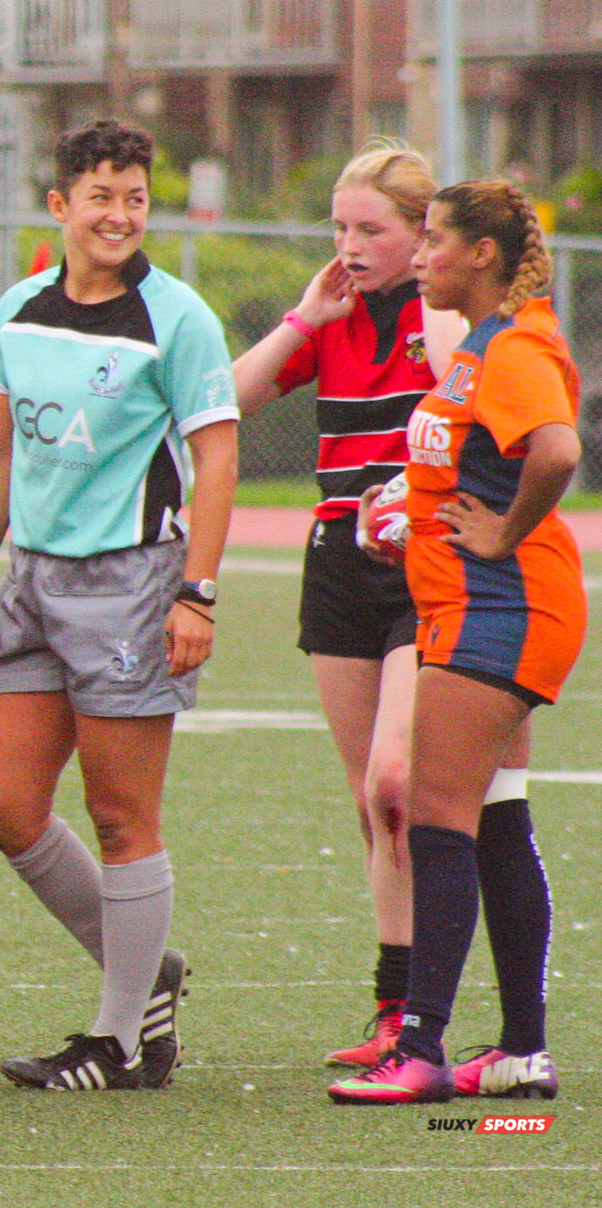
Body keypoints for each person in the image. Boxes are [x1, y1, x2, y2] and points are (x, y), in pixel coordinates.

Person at [0, 117, 238, 1092]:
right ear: (58, 204)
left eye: (134, 196)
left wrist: (194, 591)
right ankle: (143, 969)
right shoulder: (18, 306)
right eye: (99, 195)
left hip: (130, 586)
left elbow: (215, 454)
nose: (118, 214)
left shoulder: (178, 316)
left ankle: (118, 1040)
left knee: (120, 815)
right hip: (29, 581)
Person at [329, 183, 578, 1105]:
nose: (421, 255)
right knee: (499, 819)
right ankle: (520, 1051)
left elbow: (555, 450)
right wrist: (406, 508)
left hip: (498, 607)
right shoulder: (480, 346)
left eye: (434, 241)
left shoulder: (511, 345)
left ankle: (422, 1048)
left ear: (481, 254)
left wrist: (502, 534)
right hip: (481, 605)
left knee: (439, 820)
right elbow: (478, 458)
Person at [231, 143, 464, 1066]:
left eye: (373, 230)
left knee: (395, 783)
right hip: (336, 561)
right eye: (340, 228)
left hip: (420, 566)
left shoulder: (440, 316)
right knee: (371, 808)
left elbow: (463, 383)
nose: (351, 246)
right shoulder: (332, 316)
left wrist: (431, 289)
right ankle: (395, 1010)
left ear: (420, 237)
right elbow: (228, 399)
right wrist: (303, 317)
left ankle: (425, 1011)